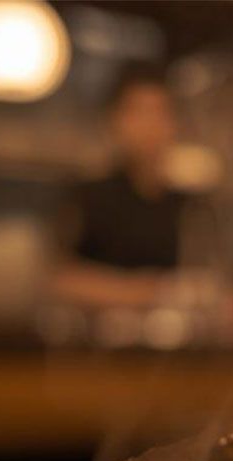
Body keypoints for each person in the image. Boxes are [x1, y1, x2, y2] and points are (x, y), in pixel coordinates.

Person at [50, 64, 191, 311]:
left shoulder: (189, 205)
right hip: (95, 344)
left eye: (160, 112)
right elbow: (58, 277)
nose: (150, 125)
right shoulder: (89, 196)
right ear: (114, 121)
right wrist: (146, 292)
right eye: (139, 112)